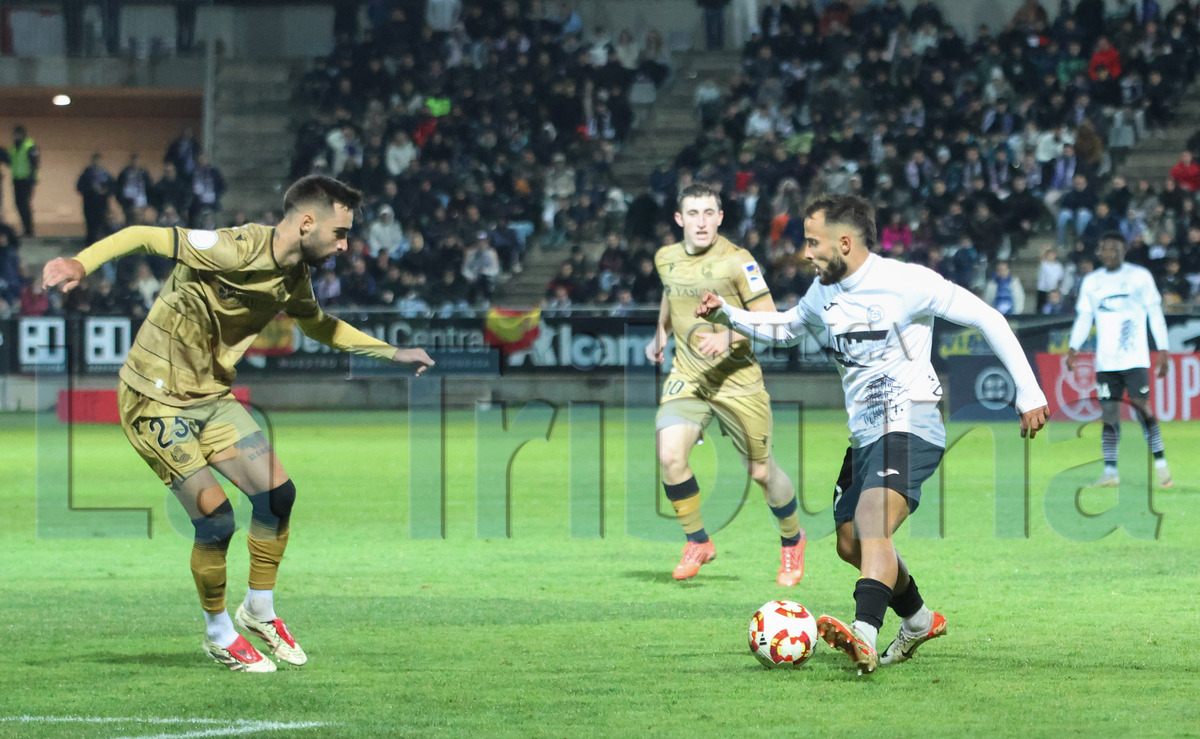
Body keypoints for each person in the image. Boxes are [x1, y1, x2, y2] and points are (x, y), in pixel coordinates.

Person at [41, 175, 435, 672]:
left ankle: (259, 611)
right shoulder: (233, 248)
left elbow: (319, 324)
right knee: (216, 520)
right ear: (307, 222)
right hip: (154, 399)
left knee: (277, 496)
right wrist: (80, 263)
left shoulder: (294, 278)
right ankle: (218, 632)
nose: (344, 244)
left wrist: (391, 352)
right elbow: (144, 234)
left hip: (211, 398)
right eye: (339, 232)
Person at [695, 194, 1048, 674]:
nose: (805, 253)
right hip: (864, 434)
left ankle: (864, 633)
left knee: (871, 521)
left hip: (911, 420)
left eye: (812, 242)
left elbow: (989, 317)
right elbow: (788, 328)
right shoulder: (824, 293)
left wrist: (1027, 393)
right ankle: (919, 619)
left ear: (844, 242)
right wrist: (726, 315)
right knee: (850, 544)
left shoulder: (907, 282)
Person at [644, 183, 807, 586]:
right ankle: (698, 540)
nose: (701, 221)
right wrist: (660, 332)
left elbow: (769, 318)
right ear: (679, 220)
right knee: (669, 455)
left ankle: (793, 539)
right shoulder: (665, 257)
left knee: (760, 471)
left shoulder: (738, 261)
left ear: (720, 218)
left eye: (708, 213)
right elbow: (672, 294)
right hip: (688, 375)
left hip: (737, 380)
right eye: (693, 214)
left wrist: (729, 336)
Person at [1066, 231, 1172, 488]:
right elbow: (1084, 317)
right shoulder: (1092, 282)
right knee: (1109, 415)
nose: (1110, 254)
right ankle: (1110, 471)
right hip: (1106, 363)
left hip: (1135, 359)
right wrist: (1073, 347)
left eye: (1115, 249)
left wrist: (1163, 349)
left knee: (1142, 410)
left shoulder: (1139, 277)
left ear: (1123, 251)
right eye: (1105, 249)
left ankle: (1161, 465)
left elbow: (1155, 314)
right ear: (1099, 252)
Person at [3, 125, 40, 236]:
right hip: (17, 180)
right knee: (19, 204)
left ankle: (29, 230)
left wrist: (32, 177)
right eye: (14, 135)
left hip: (27, 180)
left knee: (24, 204)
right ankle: (26, 229)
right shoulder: (14, 149)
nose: (15, 137)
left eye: (17, 134)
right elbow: (10, 162)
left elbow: (35, 163)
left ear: (23, 135)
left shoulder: (29, 147)